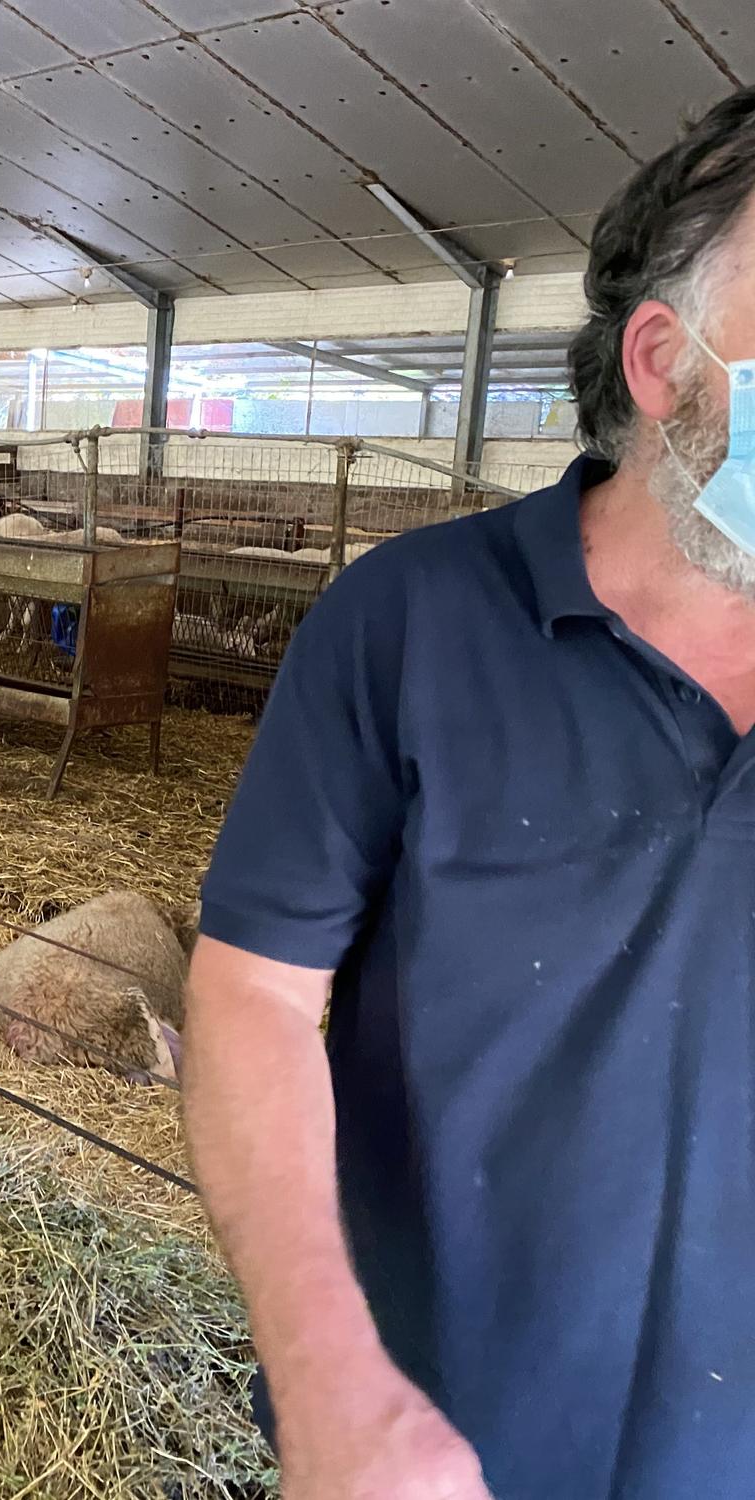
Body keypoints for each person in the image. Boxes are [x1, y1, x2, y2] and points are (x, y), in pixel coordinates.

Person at [182, 88, 755, 1500]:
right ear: (662, 360)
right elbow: (253, 990)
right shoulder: (408, 625)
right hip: (427, 1442)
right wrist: (325, 1376)